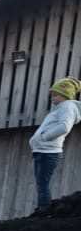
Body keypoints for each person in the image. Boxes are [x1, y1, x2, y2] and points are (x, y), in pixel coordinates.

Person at [29, 77, 80, 214]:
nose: (52, 98)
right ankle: (43, 207)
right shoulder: (60, 109)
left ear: (65, 94)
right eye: (52, 95)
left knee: (42, 183)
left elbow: (64, 127)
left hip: (48, 153)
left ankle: (45, 209)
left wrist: (44, 137)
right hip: (41, 151)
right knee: (41, 183)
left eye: (55, 95)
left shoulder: (67, 107)